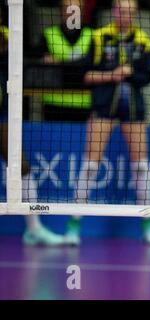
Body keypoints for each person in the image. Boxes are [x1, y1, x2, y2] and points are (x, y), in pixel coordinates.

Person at [67, 0, 150, 245]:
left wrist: (131, 73)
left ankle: (147, 224)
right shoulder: (98, 38)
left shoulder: (144, 41)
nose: (125, 15)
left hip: (133, 110)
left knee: (141, 166)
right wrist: (113, 75)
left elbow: (147, 77)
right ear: (114, 11)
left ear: (135, 14)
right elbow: (86, 75)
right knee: (90, 166)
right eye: (121, 10)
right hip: (103, 108)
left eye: (130, 12)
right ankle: (74, 224)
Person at [0, 16, 65, 246]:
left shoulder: (7, 34)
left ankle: (34, 228)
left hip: (3, 114)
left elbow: (21, 60)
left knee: (22, 167)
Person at [39, 0, 93, 122]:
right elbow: (39, 66)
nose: (73, 14)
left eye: (76, 10)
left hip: (84, 103)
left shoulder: (93, 35)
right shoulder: (48, 34)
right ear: (61, 11)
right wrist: (78, 65)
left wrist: (59, 63)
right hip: (53, 104)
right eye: (69, 10)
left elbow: (91, 65)